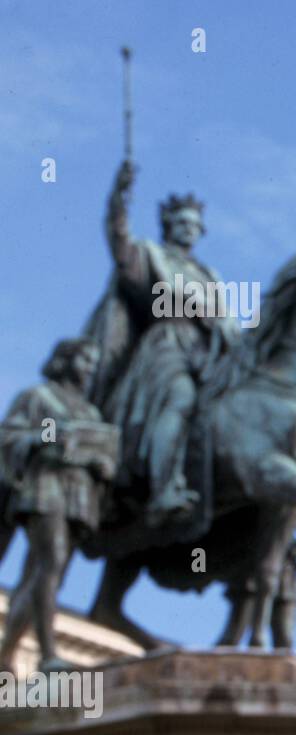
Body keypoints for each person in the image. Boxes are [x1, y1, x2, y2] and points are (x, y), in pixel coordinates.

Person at [83, 160, 241, 526]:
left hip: (211, 354)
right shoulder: (150, 255)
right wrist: (119, 198)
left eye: (195, 225)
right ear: (168, 226)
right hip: (167, 347)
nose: (189, 230)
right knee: (181, 399)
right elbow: (119, 244)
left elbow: (228, 322)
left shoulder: (209, 275)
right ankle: (165, 488)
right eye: (181, 223)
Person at [0, 338, 118, 672]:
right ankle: (47, 654)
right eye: (84, 361)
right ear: (64, 361)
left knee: (44, 573)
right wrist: (49, 438)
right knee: (49, 563)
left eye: (92, 365)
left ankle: (6, 651)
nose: (89, 370)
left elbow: (103, 454)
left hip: (78, 495)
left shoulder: (90, 412)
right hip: (45, 487)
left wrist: (102, 465)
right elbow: (10, 437)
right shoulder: (39, 397)